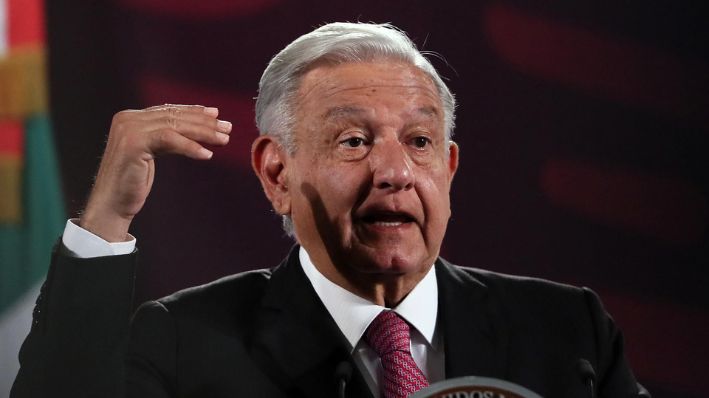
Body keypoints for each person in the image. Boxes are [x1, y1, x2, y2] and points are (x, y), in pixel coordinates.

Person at [12, 22, 649, 398]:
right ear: (276, 173)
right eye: (353, 141)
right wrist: (104, 226)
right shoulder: (184, 343)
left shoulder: (569, 335)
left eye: (420, 142)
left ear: (448, 170)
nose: (395, 172)